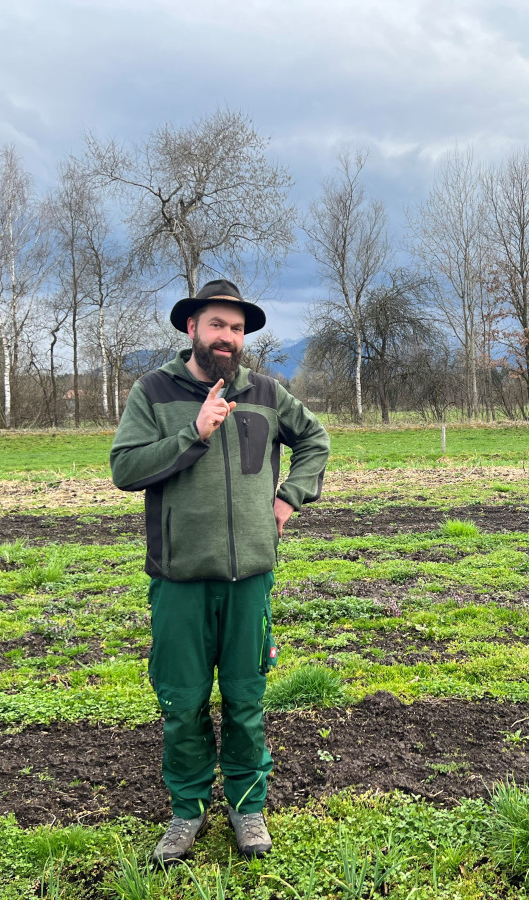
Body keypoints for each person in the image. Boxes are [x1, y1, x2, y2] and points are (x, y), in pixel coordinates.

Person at [110, 279, 330, 866]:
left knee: (245, 698)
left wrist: (290, 498)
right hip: (179, 579)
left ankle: (246, 805)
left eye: (236, 329)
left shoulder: (264, 392)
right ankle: (186, 811)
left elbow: (315, 440)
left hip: (250, 578)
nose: (228, 337)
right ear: (192, 328)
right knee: (181, 702)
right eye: (217, 326)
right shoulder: (153, 391)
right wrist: (194, 433)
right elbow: (125, 468)